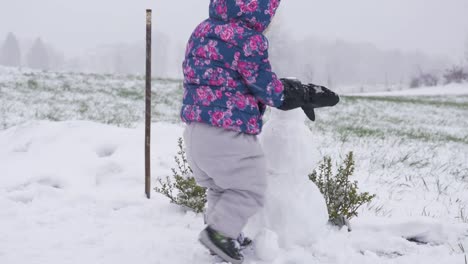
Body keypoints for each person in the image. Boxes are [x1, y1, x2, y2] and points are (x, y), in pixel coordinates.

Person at [181, 1, 339, 263]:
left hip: (195, 130)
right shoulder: (249, 40)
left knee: (220, 186)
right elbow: (268, 89)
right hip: (227, 131)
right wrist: (298, 93)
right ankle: (219, 233)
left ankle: (224, 232)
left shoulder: (202, 30)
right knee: (250, 186)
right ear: (256, 10)